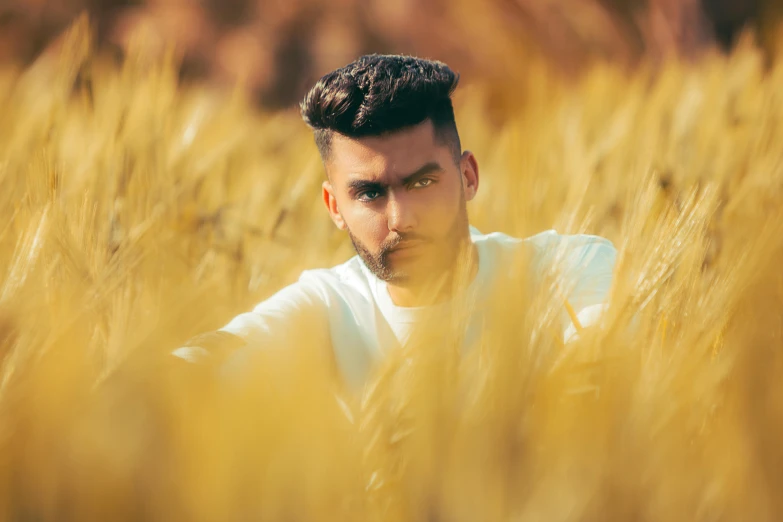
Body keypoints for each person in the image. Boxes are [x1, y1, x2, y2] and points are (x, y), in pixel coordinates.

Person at [173, 54, 617, 391]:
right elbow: (209, 357)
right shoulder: (325, 308)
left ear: (468, 177)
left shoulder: (569, 270)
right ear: (333, 208)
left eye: (422, 182)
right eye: (369, 193)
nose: (401, 218)